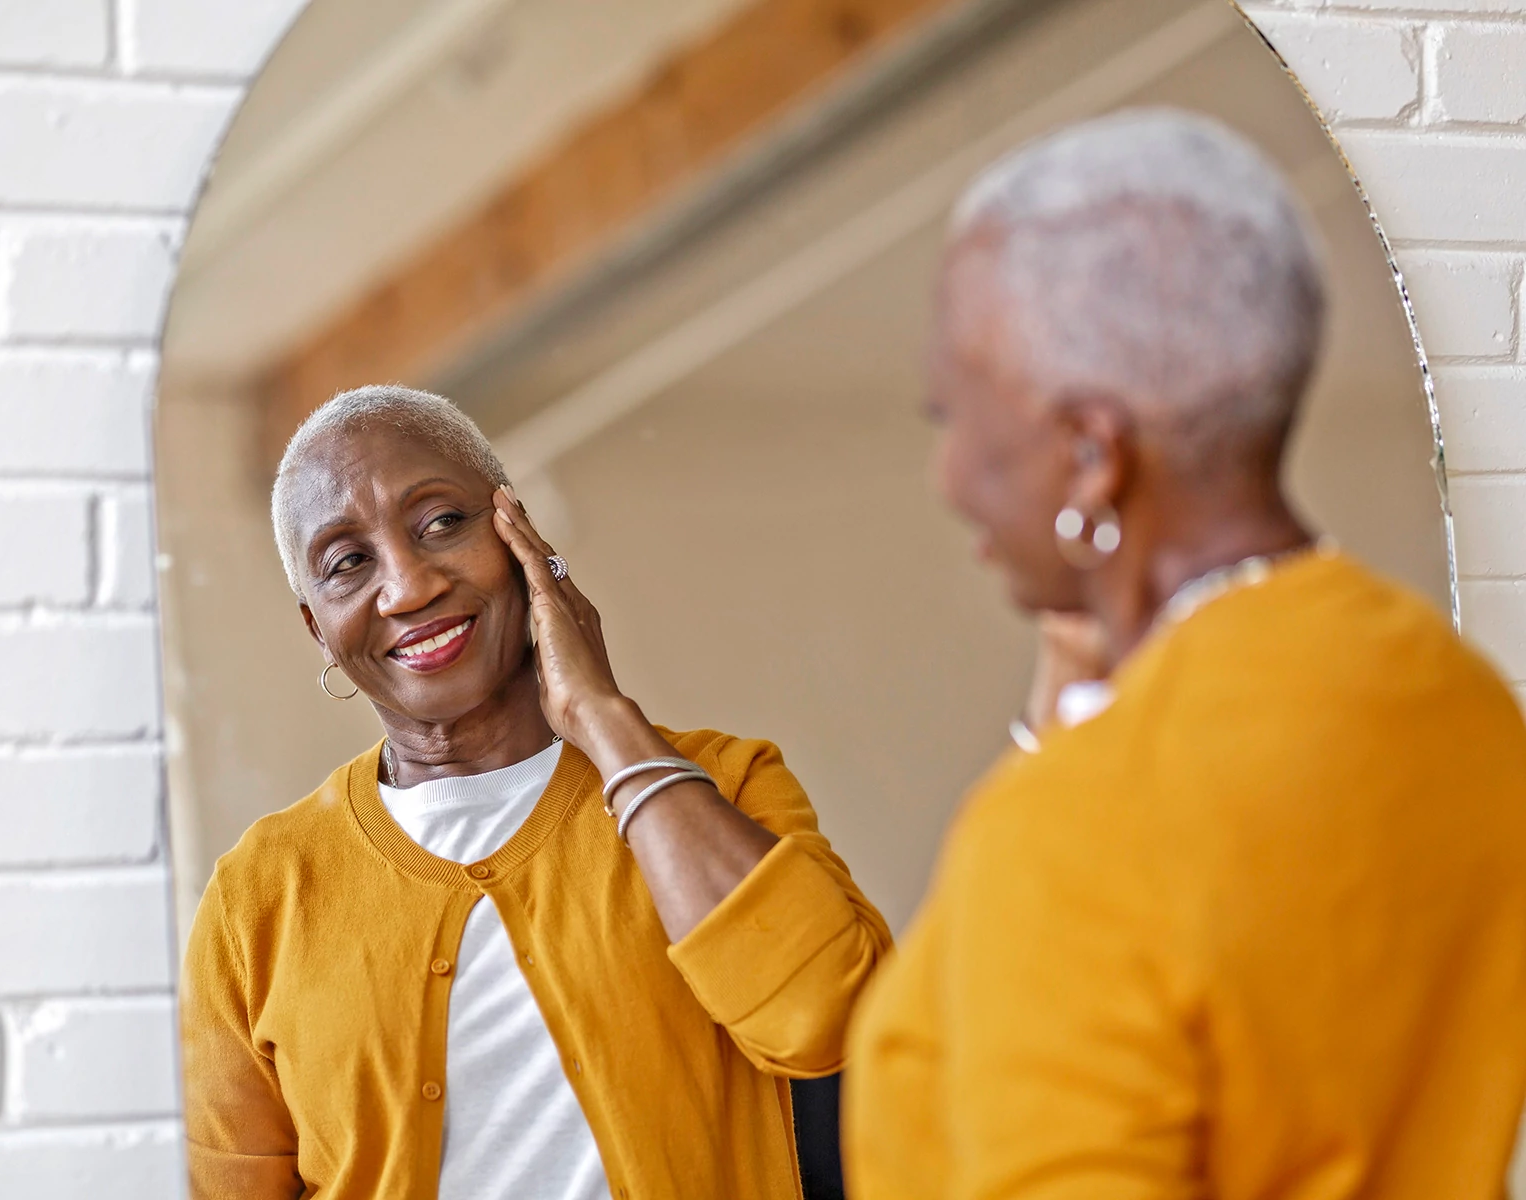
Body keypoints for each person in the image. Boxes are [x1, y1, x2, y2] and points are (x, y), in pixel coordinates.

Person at [843, 108, 1526, 1198]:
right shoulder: (1458, 703)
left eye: (955, 412)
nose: (949, 473)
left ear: (1089, 452)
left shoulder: (1083, 825)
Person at [180, 384, 892, 1200]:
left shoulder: (722, 785)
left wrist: (603, 719)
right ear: (318, 626)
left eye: (442, 523)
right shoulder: (259, 899)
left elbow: (836, 1024)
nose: (408, 587)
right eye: (349, 563)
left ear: (516, 527)